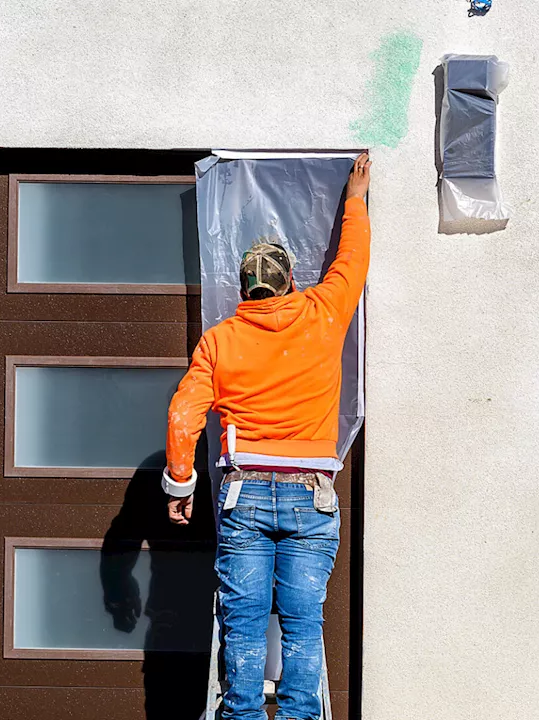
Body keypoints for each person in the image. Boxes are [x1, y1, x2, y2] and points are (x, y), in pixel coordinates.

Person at [162, 153, 372, 720]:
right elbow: (352, 261)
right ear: (289, 282)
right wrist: (354, 199)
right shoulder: (323, 312)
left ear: (242, 288)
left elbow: (185, 414)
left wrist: (180, 486)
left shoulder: (220, 341)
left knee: (246, 622)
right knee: (303, 623)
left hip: (244, 495)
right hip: (311, 493)